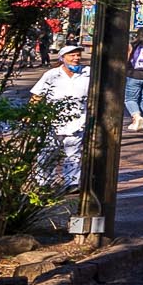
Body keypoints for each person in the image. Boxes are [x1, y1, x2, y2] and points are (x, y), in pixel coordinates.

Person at [28, 41, 94, 190]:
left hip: (78, 120)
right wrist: (31, 114)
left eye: (78, 55)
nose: (76, 58)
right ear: (62, 58)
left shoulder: (88, 73)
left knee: (73, 154)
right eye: (72, 55)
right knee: (48, 152)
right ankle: (44, 182)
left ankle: (72, 182)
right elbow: (37, 96)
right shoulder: (52, 75)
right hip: (52, 121)